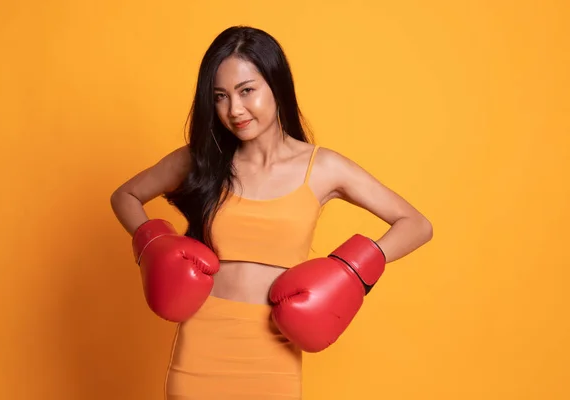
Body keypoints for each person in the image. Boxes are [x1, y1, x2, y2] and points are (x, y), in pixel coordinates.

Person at [110, 25, 433, 400]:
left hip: (273, 355)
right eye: (220, 97)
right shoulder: (202, 160)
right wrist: (155, 245)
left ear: (276, 85)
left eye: (247, 91)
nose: (234, 110)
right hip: (201, 346)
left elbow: (416, 225)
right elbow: (126, 195)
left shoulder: (323, 168)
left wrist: (351, 272)